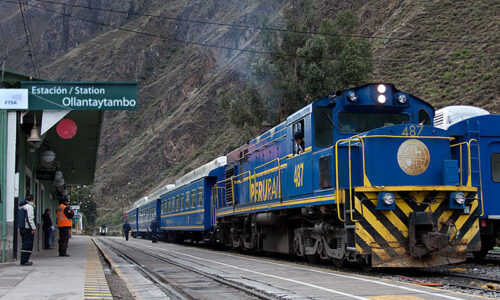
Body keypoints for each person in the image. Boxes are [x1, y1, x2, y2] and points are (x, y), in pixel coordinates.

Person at [17, 195, 36, 266]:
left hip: (22, 228)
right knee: (28, 244)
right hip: (27, 228)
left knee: (24, 244)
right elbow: (30, 218)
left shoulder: (22, 207)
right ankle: (24, 261)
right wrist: (33, 228)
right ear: (31, 200)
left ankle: (23, 260)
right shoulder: (29, 207)